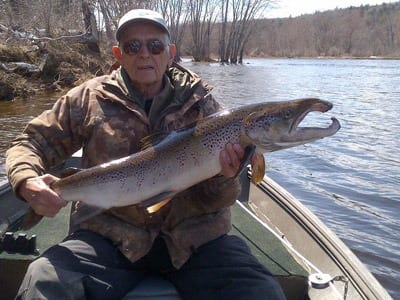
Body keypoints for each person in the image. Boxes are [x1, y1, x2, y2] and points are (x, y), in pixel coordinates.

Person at [6, 9, 286, 300]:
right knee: (45, 279)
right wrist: (27, 181)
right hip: (110, 238)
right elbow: (29, 141)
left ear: (170, 53)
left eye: (155, 46)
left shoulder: (204, 105)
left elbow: (218, 199)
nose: (144, 54)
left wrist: (226, 178)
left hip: (196, 240)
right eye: (132, 46)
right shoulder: (87, 99)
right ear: (119, 53)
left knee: (259, 290)